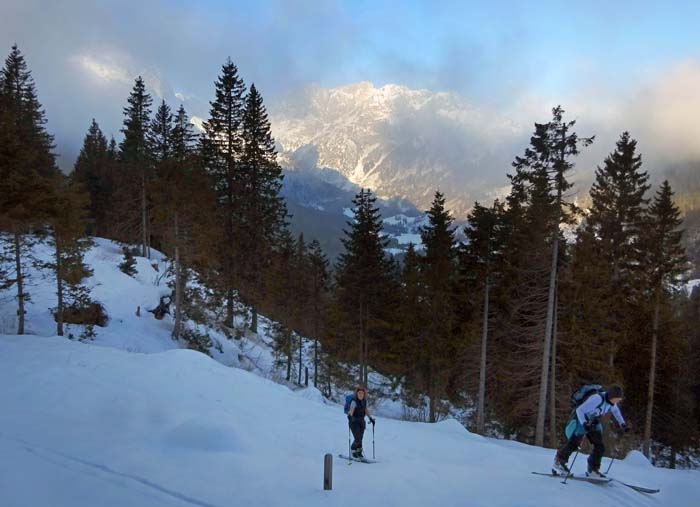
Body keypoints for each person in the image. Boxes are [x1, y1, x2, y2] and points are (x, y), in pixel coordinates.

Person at [553, 384, 629, 478]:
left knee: (600, 446)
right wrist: (584, 423)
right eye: (617, 398)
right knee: (574, 443)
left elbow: (616, 412)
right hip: (581, 419)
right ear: (612, 396)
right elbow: (580, 410)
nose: (618, 400)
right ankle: (559, 461)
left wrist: (623, 424)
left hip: (593, 422)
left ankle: (593, 469)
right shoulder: (597, 399)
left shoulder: (611, 403)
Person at [347, 385, 376, 459]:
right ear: (357, 394)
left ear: (364, 394)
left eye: (362, 393)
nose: (360, 394)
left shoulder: (364, 401)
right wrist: (349, 416)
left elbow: (365, 410)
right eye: (359, 393)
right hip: (354, 422)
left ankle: (359, 452)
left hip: (361, 422)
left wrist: (370, 418)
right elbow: (351, 410)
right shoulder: (354, 401)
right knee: (357, 438)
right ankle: (353, 450)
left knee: (361, 438)